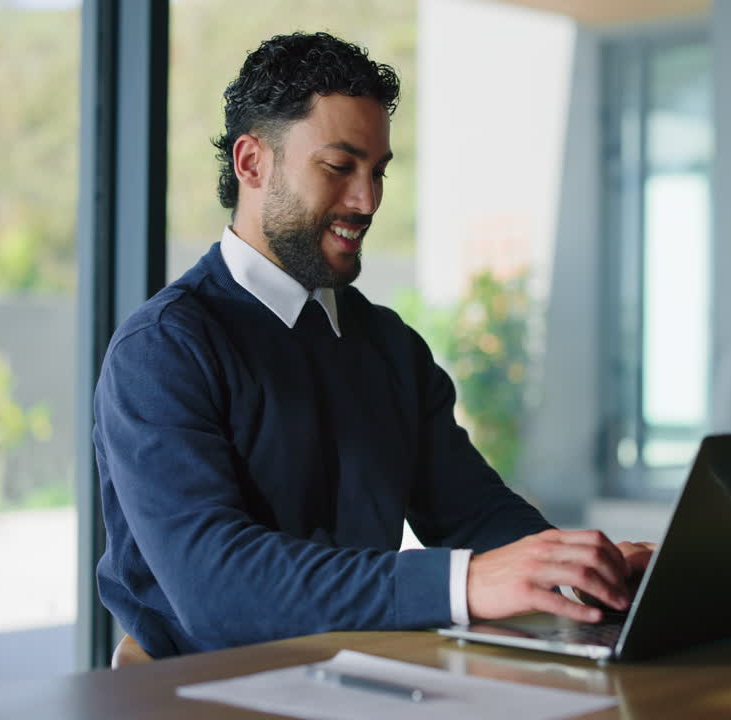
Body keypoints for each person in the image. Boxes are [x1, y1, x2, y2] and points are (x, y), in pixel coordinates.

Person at [93, 31, 653, 659]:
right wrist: (461, 583)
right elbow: (215, 587)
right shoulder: (163, 350)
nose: (367, 200)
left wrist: (578, 568)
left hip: (363, 678)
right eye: (339, 167)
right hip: (198, 692)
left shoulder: (390, 345)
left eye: (378, 171)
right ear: (252, 164)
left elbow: (470, 511)